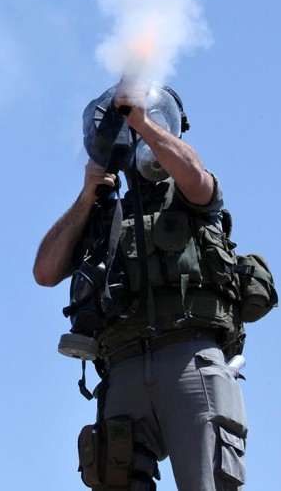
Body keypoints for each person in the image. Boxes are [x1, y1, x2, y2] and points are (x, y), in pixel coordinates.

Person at [34, 84, 249, 491]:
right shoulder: (104, 217)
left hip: (190, 358)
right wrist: (86, 197)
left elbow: (198, 180)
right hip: (123, 367)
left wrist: (142, 122)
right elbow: (45, 271)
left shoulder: (188, 193)